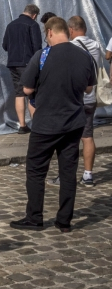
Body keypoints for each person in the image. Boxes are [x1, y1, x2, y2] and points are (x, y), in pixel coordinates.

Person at [10, 17, 97, 233]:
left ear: (49, 32)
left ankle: (35, 218)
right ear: (66, 31)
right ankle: (64, 221)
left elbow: (27, 90)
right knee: (68, 172)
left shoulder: (42, 56)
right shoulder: (84, 56)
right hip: (74, 122)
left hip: (46, 124)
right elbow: (89, 88)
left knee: (36, 171)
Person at [47, 16, 102, 188]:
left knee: (67, 140)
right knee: (87, 136)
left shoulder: (71, 47)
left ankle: (65, 176)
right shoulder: (96, 45)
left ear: (70, 30)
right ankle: (88, 175)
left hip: (73, 99)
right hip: (90, 98)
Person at [2, 4, 42, 133]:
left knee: (19, 93)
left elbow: (5, 46)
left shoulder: (10, 25)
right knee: (32, 93)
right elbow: (37, 47)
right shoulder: (33, 25)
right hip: (28, 64)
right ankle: (36, 125)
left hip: (13, 63)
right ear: (34, 15)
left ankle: (22, 125)